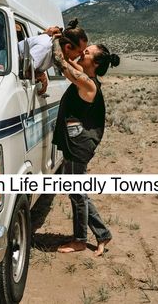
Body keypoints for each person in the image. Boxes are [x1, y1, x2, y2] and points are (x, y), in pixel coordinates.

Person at [52, 42, 120, 256]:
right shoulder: (84, 75)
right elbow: (68, 60)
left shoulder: (88, 83)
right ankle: (102, 234)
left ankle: (80, 240)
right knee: (77, 190)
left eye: (87, 52)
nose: (83, 53)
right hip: (75, 143)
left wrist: (53, 39)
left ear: (96, 62)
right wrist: (65, 41)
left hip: (78, 146)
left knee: (77, 193)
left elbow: (60, 62)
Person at [18, 19, 88, 94]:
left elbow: (81, 73)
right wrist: (41, 76)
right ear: (68, 47)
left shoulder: (56, 51)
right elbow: (24, 71)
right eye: (80, 52)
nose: (82, 55)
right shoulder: (45, 47)